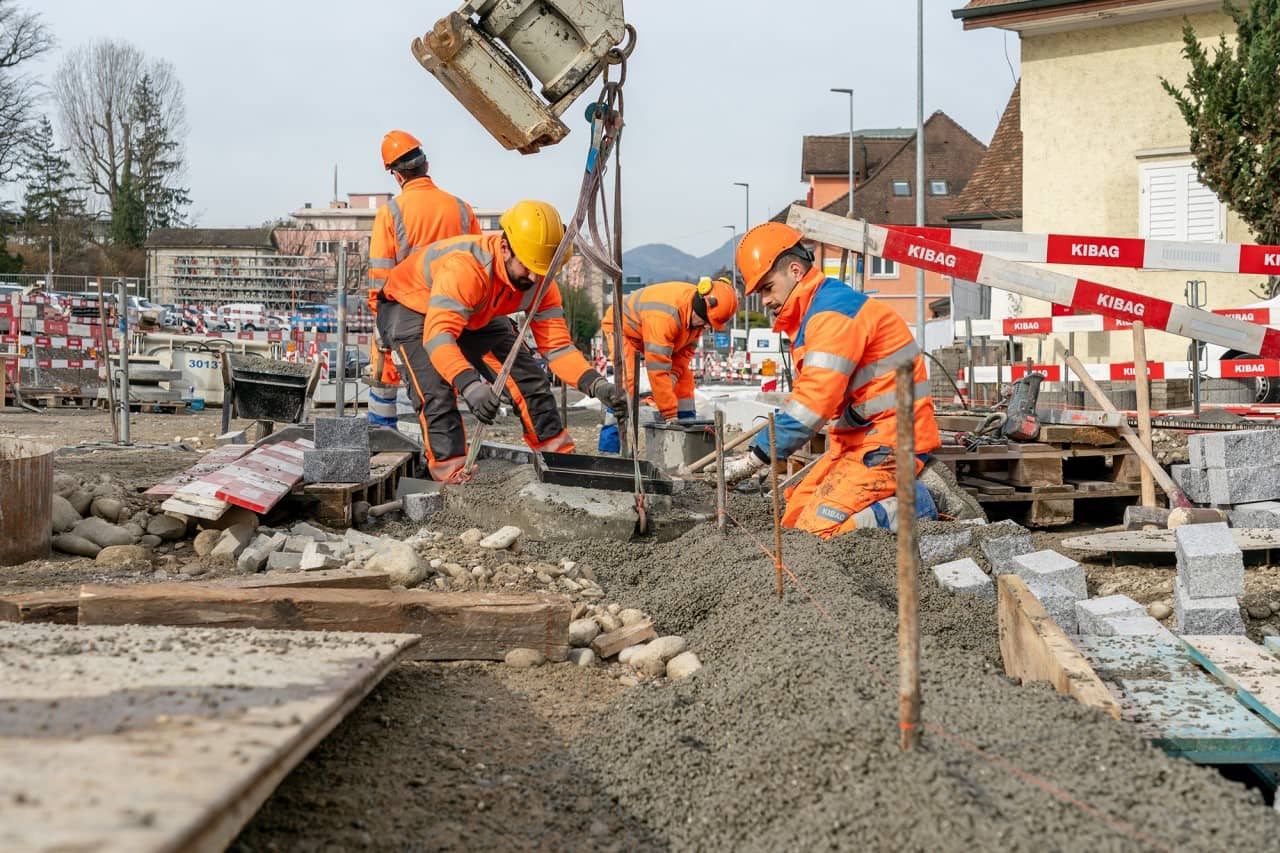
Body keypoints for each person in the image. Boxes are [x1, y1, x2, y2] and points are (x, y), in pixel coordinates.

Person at [378, 199, 627, 480]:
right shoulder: (468, 268)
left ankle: (557, 461)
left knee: (527, 378)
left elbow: (557, 348)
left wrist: (595, 384)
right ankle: (452, 475)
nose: (534, 277)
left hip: (479, 308)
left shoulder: (540, 280)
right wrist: (470, 385)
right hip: (410, 306)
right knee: (436, 391)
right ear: (505, 248)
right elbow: (439, 336)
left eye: (542, 270)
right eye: (528, 266)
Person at [721, 222, 941, 539]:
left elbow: (811, 406)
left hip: (892, 444)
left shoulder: (832, 315)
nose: (765, 300)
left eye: (768, 287)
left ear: (795, 270)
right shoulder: (814, 315)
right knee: (793, 518)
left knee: (820, 530)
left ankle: (919, 505)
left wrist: (756, 457)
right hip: (860, 441)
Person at [365, 129, 481, 429]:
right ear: (426, 165)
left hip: (409, 313)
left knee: (389, 372)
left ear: (396, 175)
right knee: (446, 380)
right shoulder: (461, 208)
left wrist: (381, 322)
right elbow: (480, 264)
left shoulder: (391, 213)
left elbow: (381, 274)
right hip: (454, 311)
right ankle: (449, 446)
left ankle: (383, 437)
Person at [597, 276, 737, 452]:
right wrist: (669, 414)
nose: (707, 327)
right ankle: (609, 447)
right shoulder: (666, 316)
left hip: (648, 329)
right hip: (623, 329)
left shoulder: (696, 322)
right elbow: (657, 369)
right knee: (627, 382)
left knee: (684, 381)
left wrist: (672, 379)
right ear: (698, 308)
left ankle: (686, 436)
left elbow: (683, 356)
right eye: (707, 322)